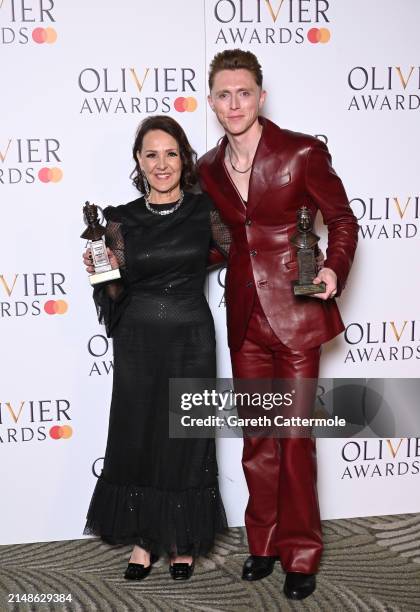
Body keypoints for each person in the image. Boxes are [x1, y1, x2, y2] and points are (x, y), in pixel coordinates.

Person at [198, 49, 358, 600]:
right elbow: (222, 242)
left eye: (244, 92)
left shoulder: (302, 152)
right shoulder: (207, 168)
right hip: (245, 317)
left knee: (293, 438)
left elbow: (340, 217)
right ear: (212, 101)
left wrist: (335, 266)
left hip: (297, 314)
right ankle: (262, 543)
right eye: (224, 94)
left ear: (260, 96)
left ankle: (302, 553)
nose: (234, 103)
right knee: (256, 438)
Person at [82, 115, 228, 581]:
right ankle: (145, 540)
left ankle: (182, 539)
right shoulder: (120, 219)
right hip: (139, 342)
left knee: (186, 435)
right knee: (138, 435)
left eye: (170, 153)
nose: (161, 164)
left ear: (183, 158)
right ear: (139, 162)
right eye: (151, 154)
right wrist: (100, 271)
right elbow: (115, 290)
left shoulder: (206, 211)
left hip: (190, 338)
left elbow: (243, 253)